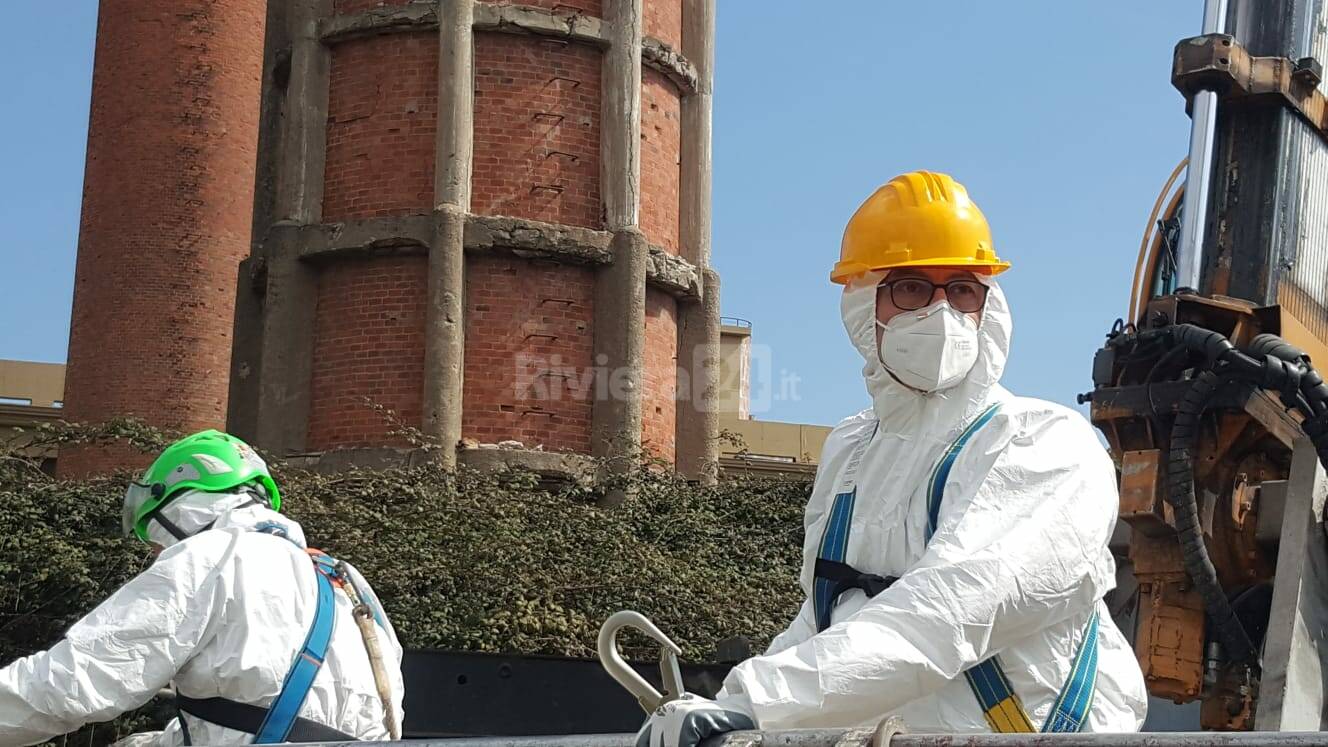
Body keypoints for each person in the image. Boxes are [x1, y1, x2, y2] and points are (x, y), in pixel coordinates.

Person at [637, 171, 1148, 747]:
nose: (941, 312)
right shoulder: (852, 453)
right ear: (863, 305)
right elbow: (827, 618)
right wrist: (720, 707)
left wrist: (755, 702)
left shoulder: (1045, 445)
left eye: (962, 289)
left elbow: (950, 611)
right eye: (910, 288)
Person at [0, 430, 405, 746]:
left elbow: (76, 680)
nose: (157, 551)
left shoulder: (212, 556)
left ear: (177, 509)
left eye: (155, 537)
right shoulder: (344, 578)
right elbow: (268, 715)